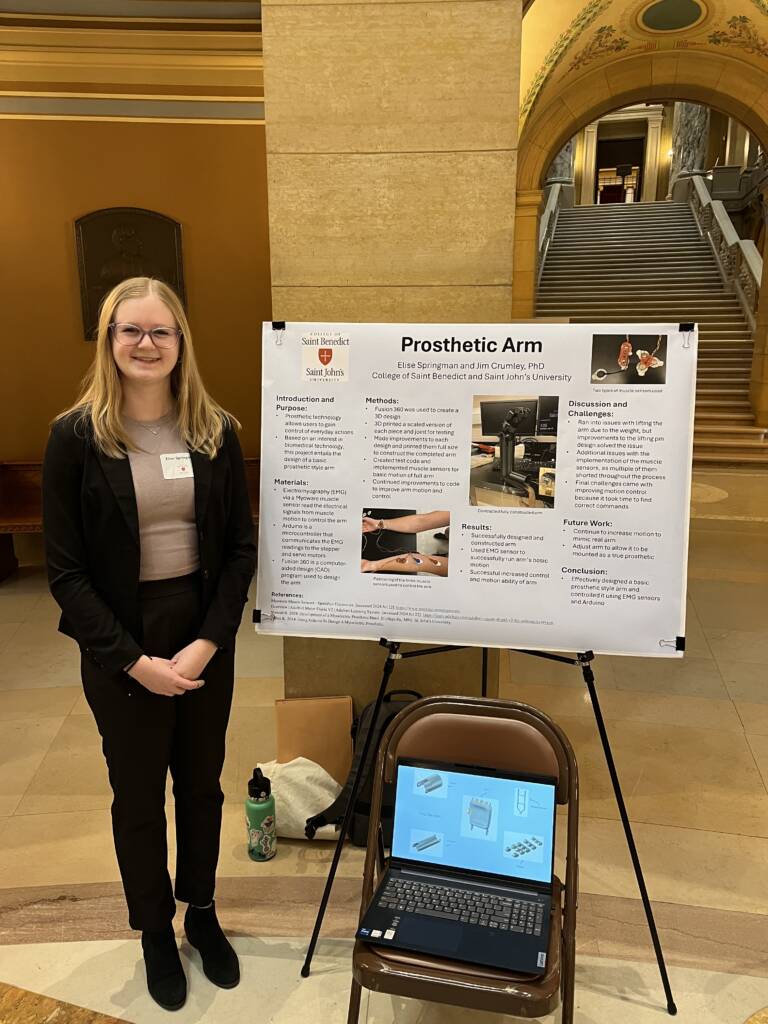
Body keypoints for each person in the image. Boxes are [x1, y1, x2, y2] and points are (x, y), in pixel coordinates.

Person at [42, 277, 256, 1012]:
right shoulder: (75, 437)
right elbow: (64, 572)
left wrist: (206, 644)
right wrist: (133, 661)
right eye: (129, 330)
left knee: (201, 786)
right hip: (118, 641)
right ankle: (155, 931)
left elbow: (238, 550)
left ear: (181, 343)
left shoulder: (216, 430)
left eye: (160, 331)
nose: (145, 344)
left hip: (198, 631)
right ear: (108, 341)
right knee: (137, 798)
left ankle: (200, 910)